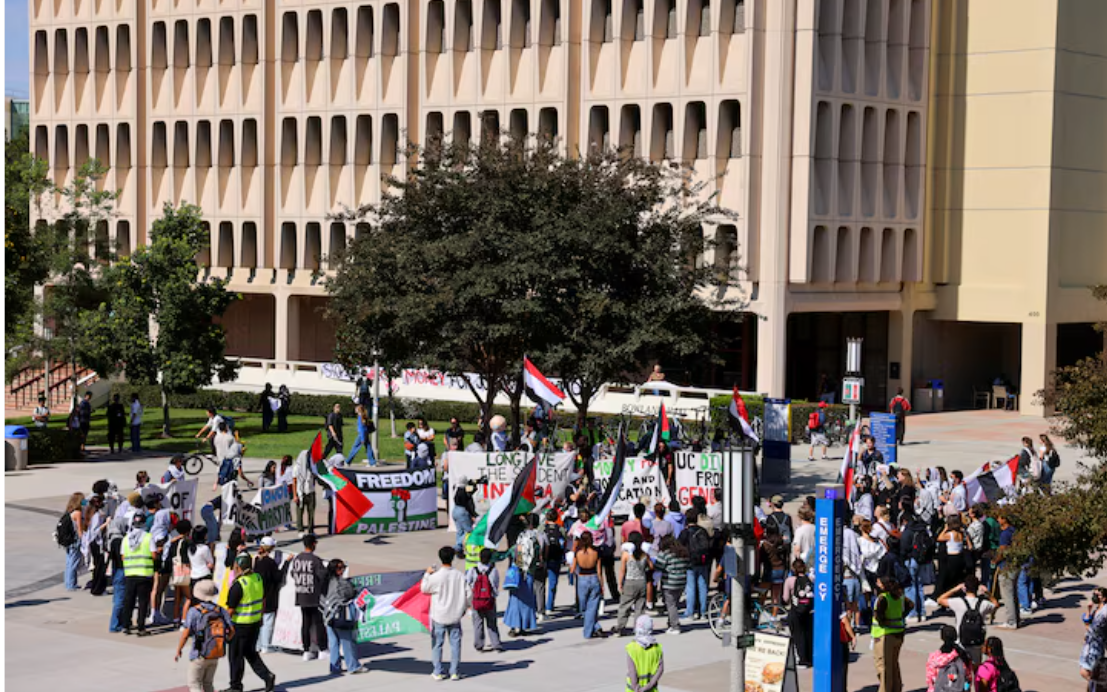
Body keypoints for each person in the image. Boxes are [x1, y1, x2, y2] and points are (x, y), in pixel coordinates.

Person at [224, 553, 276, 692]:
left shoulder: (239, 585)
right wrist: (260, 617)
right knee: (250, 653)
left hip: (240, 626)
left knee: (236, 656)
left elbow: (230, 610)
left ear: (239, 567)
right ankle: (267, 676)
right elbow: (263, 600)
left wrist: (224, 626)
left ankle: (236, 686)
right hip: (255, 623)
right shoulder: (257, 578)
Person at [174, 579, 234, 692]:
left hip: (199, 653)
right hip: (215, 653)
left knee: (194, 684)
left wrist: (179, 650)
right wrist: (223, 641)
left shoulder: (194, 611)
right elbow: (232, 630)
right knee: (208, 684)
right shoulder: (221, 610)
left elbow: (186, 633)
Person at [421, 546, 470, 681]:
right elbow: (469, 594)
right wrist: (465, 607)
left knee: (437, 644)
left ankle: (437, 671)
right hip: (455, 615)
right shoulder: (460, 576)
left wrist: (427, 574)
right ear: (453, 558)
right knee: (455, 644)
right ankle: (454, 671)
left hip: (439, 615)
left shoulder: (436, 576)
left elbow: (424, 588)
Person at [937, 575, 996, 664]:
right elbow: (995, 604)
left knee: (962, 666)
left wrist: (955, 589)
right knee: (976, 665)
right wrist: (988, 593)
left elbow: (940, 599)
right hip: (977, 640)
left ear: (965, 588)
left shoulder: (958, 602)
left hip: (961, 640)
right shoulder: (984, 603)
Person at [322, 557, 366, 675]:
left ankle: (335, 667)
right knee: (347, 642)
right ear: (337, 570)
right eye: (342, 568)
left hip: (328, 616)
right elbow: (350, 594)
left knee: (333, 643)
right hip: (341, 616)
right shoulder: (341, 583)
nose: (344, 570)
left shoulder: (325, 582)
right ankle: (353, 666)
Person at [288, 534, 327, 660]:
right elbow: (323, 577)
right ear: (313, 544)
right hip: (314, 596)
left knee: (306, 623)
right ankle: (322, 649)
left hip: (301, 595)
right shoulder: (315, 560)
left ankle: (306, 650)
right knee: (319, 623)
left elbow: (293, 574)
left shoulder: (297, 559)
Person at [872, 575, 912, 692]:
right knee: (894, 664)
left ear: (883, 586)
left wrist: (884, 621)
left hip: (884, 635)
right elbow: (911, 605)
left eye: (878, 583)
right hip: (898, 633)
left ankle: (885, 690)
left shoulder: (883, 598)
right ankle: (896, 688)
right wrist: (901, 616)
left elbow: (878, 615)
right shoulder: (899, 596)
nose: (876, 584)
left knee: (883, 666)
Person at [121, 512, 158, 635]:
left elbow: (123, 556)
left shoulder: (126, 539)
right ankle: (141, 627)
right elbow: (154, 555)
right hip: (144, 574)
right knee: (143, 602)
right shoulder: (148, 537)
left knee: (129, 601)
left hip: (130, 574)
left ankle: (126, 625)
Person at [505, 516, 540, 636]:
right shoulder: (534, 539)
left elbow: (517, 558)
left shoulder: (520, 542)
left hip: (519, 575)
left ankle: (515, 626)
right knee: (527, 601)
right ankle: (525, 625)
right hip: (529, 574)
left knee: (516, 601)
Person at [466, 547, 503, 652]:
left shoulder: (473, 570)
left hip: (477, 600)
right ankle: (496, 643)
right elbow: (496, 585)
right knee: (492, 623)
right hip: (489, 600)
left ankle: (479, 644)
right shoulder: (493, 570)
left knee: (478, 623)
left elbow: (468, 582)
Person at [614, 531, 651, 636]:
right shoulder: (644, 554)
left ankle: (620, 627)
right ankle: (638, 628)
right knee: (640, 607)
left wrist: (620, 583)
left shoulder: (626, 554)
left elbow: (622, 570)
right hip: (641, 581)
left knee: (625, 606)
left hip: (630, 581)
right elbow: (651, 566)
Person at [572, 530, 606, 639]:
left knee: (584, 607)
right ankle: (596, 627)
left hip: (582, 578)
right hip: (594, 577)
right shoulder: (596, 552)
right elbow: (599, 570)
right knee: (592, 606)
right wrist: (602, 584)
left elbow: (573, 569)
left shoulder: (578, 552)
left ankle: (588, 632)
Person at [253, 536, 283, 654]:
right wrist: (285, 564)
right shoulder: (270, 562)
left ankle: (258, 645)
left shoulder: (256, 560)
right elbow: (278, 577)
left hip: (257, 595)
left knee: (259, 621)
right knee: (268, 621)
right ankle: (266, 645)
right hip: (269, 595)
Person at [653, 535, 689, 634]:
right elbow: (688, 565)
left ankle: (675, 626)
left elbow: (658, 566)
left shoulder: (665, 554)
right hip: (682, 582)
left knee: (671, 605)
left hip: (669, 582)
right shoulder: (682, 553)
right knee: (675, 603)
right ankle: (671, 623)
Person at [783, 559, 815, 667]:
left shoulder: (790, 580)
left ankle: (802, 659)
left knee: (798, 635)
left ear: (793, 569)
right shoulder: (810, 579)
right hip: (809, 611)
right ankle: (810, 658)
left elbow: (786, 598)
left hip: (796, 611)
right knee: (808, 634)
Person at [925, 624, 973, 692]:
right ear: (956, 637)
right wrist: (966, 689)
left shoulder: (933, 658)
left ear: (942, 637)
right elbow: (968, 679)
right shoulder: (963, 656)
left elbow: (930, 681)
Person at [625, 615, 664, 691]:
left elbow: (632, 672)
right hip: (651, 689)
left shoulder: (631, 648)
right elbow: (660, 670)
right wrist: (648, 686)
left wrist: (637, 688)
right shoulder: (657, 648)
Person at [993, 514, 1019, 629]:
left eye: (999, 517)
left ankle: (1011, 621)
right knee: (1013, 594)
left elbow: (1002, 551)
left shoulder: (1005, 534)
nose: (998, 519)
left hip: (1006, 566)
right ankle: (1016, 618)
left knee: (1007, 595)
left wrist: (995, 560)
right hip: (1015, 565)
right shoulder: (1014, 531)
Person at [1079, 587, 1107, 689]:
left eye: (1098, 595)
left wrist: (1087, 626)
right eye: (1094, 594)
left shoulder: (1104, 611)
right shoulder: (1097, 609)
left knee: (1084, 672)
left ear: (1104, 598)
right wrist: (1089, 610)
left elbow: (1092, 628)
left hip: (1096, 646)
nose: (1095, 597)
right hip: (1089, 645)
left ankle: (1100, 686)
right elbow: (1088, 620)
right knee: (1091, 672)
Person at [542, 509, 566, 615]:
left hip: (543, 559)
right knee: (553, 583)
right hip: (556, 558)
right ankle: (549, 606)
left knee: (541, 584)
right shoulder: (560, 529)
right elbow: (564, 541)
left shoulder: (542, 528)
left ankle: (540, 606)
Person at [61, 492, 86, 591]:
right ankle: (71, 584)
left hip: (69, 540)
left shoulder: (69, 511)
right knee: (74, 562)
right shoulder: (78, 513)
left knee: (69, 562)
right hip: (75, 540)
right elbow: (79, 529)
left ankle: (69, 583)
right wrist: (83, 539)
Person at [291, 450, 317, 536]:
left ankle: (311, 530)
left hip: (310, 491)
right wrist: (295, 495)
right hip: (300, 492)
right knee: (300, 512)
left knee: (311, 512)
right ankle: (300, 530)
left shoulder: (312, 466)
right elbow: (294, 482)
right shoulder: (296, 468)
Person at [452, 476, 478, 554]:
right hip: (462, 511)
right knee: (469, 530)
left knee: (460, 531)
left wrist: (472, 483)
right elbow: (473, 490)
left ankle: (458, 547)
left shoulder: (456, 488)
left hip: (455, 510)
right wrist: (473, 515)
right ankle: (471, 547)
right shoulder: (464, 490)